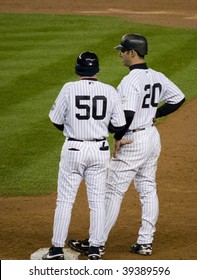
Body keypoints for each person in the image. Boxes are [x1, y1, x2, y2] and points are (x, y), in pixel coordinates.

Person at [68, 33, 185, 256]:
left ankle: (97, 243)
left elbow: (127, 115)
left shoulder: (130, 81)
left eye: (122, 51)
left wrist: (118, 136)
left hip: (133, 140)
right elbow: (178, 98)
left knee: (112, 190)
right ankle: (145, 242)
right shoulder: (157, 75)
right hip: (151, 137)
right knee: (148, 188)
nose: (120, 55)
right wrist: (156, 114)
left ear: (132, 53)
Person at [42, 51, 126, 260]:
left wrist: (74, 128)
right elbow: (119, 125)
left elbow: (55, 119)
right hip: (99, 150)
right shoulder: (109, 90)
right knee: (97, 201)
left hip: (73, 150)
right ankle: (95, 248)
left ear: (78, 69)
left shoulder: (69, 89)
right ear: (97, 70)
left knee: (65, 201)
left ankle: (56, 249)